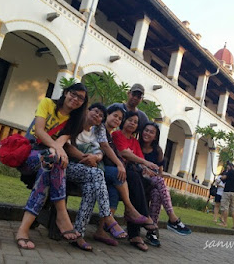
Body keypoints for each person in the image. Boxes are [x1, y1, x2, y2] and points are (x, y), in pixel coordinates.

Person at [15, 83, 88, 249]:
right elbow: (40, 131)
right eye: (73, 94)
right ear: (66, 92)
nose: (75, 99)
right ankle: (62, 215)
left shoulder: (75, 121)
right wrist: (58, 151)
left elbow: (61, 141)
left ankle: (23, 229)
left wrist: (58, 151)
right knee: (53, 159)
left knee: (49, 165)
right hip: (29, 154)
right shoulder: (47, 103)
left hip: (48, 160)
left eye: (81, 98)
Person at [64, 103, 128, 251]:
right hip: (68, 167)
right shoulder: (75, 123)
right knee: (98, 173)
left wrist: (97, 157)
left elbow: (101, 150)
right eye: (96, 112)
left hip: (86, 171)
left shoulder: (97, 130)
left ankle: (78, 235)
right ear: (88, 110)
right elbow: (67, 146)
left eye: (100, 116)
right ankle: (108, 216)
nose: (97, 116)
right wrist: (87, 158)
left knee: (91, 188)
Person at [97, 105, 157, 249]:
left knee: (140, 182)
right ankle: (136, 221)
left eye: (135, 122)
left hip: (122, 173)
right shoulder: (115, 135)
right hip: (117, 172)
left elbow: (138, 159)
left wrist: (146, 168)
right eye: (129, 120)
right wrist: (144, 163)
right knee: (133, 179)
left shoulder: (133, 141)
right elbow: (123, 153)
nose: (132, 123)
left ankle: (126, 230)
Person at [218, 162, 234, 229]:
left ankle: (224, 223)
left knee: (225, 207)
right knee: (233, 208)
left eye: (228, 167)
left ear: (231, 167)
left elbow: (223, 178)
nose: (227, 169)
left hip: (227, 192)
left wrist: (221, 176)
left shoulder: (230, 172)